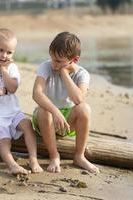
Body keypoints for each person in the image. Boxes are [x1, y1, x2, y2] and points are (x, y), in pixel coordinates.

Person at [0, 28, 43, 175]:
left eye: (9, 52)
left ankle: (33, 159)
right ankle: (12, 165)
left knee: (28, 125)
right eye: (0, 50)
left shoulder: (12, 68)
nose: (4, 55)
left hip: (13, 112)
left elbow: (13, 88)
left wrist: (4, 70)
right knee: (4, 141)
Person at [32, 31, 99, 173]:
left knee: (84, 109)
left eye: (58, 61)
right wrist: (55, 111)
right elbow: (36, 94)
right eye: (52, 57)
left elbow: (78, 99)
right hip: (46, 118)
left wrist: (64, 73)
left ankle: (79, 156)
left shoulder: (82, 74)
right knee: (44, 110)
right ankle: (54, 155)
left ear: (74, 60)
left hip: (67, 124)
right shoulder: (46, 66)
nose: (53, 63)